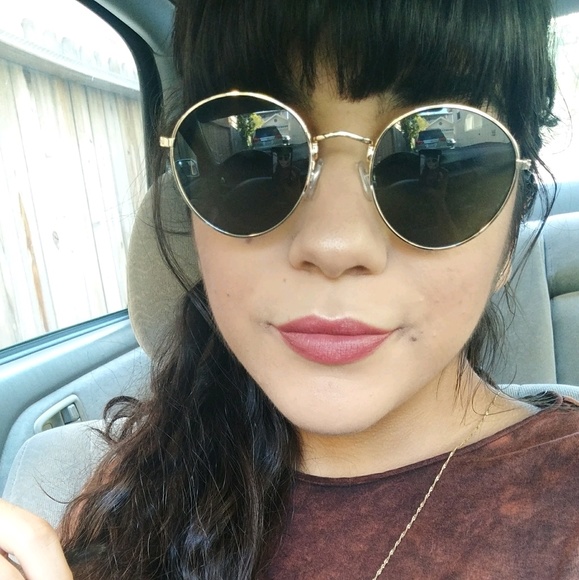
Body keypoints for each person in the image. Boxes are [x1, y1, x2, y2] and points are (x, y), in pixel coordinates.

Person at [2, 1, 577, 578]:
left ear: (511, 228)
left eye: (435, 159)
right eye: (261, 152)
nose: (334, 243)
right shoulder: (125, 487)